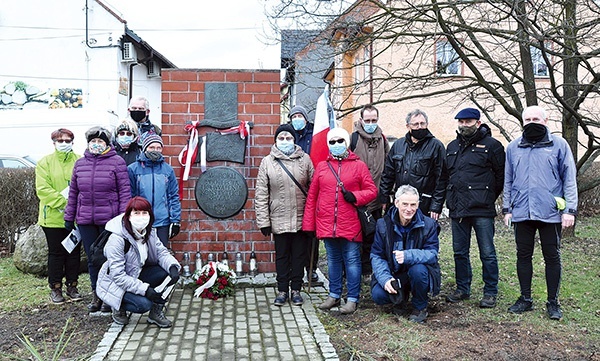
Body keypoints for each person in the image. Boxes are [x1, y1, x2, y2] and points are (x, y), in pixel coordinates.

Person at [503, 105, 577, 320]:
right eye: (528, 119)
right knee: (523, 256)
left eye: (536, 118)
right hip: (522, 211)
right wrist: (507, 208)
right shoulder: (513, 147)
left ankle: (553, 302)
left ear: (546, 121)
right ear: (523, 122)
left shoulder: (559, 145)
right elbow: (508, 180)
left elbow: (569, 179)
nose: (532, 122)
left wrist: (569, 210)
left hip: (550, 212)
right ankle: (525, 298)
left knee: (552, 256)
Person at [302, 127, 377, 314]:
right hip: (327, 224)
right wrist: (309, 225)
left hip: (350, 223)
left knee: (352, 261)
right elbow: (312, 197)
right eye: (332, 142)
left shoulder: (359, 166)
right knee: (333, 261)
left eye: (340, 141)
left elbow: (372, 190)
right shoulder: (321, 167)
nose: (336, 145)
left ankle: (352, 298)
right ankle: (334, 295)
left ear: (346, 142)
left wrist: (356, 196)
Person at [64, 126, 131, 313]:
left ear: (107, 143)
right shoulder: (80, 164)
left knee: (110, 258)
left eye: (100, 141)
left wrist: (122, 218)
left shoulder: (117, 162)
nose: (96, 144)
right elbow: (74, 193)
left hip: (109, 220)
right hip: (86, 220)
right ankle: (96, 294)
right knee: (93, 259)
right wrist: (70, 216)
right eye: (93, 141)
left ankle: (110, 295)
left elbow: (125, 192)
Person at [445, 108, 505, 308]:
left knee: (487, 252)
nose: (464, 125)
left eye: (468, 121)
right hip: (458, 209)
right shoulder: (452, 147)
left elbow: (500, 177)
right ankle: (463, 288)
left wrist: (486, 196)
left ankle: (490, 292)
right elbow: (447, 177)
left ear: (478, 123)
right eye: (461, 122)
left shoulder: (492, 146)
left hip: (482, 209)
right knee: (459, 252)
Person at [96, 196, 180, 327]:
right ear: (128, 216)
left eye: (144, 213)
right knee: (143, 304)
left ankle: (156, 312)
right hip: (115, 283)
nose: (141, 217)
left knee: (166, 273)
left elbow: (162, 253)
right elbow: (118, 276)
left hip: (137, 273)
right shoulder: (117, 239)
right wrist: (145, 290)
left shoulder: (149, 233)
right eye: (136, 213)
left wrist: (173, 267)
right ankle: (118, 307)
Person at [255, 124, 314, 307]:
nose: (285, 141)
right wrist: (263, 221)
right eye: (281, 138)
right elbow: (261, 193)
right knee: (282, 256)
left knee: (299, 256)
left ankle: (296, 289)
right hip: (278, 218)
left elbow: (314, 189)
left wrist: (314, 219)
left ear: (294, 140)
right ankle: (282, 290)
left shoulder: (305, 160)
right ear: (276, 140)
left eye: (289, 138)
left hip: (300, 218)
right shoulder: (267, 162)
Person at [370, 185, 441, 323]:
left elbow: (432, 254)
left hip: (418, 274)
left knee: (418, 270)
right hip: (395, 273)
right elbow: (377, 255)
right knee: (378, 295)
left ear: (418, 204)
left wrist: (408, 255)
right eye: (405, 204)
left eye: (413, 204)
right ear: (396, 203)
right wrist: (385, 279)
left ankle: (420, 307)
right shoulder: (383, 225)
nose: (409, 209)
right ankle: (400, 300)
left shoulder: (429, 224)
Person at [35, 128, 82, 304]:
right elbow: (43, 190)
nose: (64, 143)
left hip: (76, 218)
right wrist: (67, 203)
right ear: (54, 142)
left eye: (67, 140)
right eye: (60, 140)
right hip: (52, 218)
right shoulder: (44, 162)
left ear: (72, 142)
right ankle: (55, 288)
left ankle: (72, 285)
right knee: (56, 254)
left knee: (73, 253)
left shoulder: (80, 160)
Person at [379, 109, 446, 220]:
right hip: (401, 204)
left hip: (424, 204)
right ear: (408, 126)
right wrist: (384, 197)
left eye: (422, 123)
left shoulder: (436, 146)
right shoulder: (398, 145)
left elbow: (442, 179)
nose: (419, 127)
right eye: (415, 124)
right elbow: (388, 174)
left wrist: (436, 206)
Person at [350, 104, 390, 281]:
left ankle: (367, 270)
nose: (371, 123)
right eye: (367, 120)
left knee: (371, 235)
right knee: (353, 236)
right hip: (355, 199)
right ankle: (350, 270)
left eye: (374, 120)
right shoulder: (353, 139)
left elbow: (388, 168)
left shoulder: (382, 139)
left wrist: (386, 194)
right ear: (361, 120)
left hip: (375, 198)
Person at [128, 134, 181, 247]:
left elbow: (173, 196)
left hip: (162, 221)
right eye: (152, 147)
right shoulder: (133, 169)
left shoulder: (168, 170)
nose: (155, 150)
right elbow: (129, 196)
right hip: (140, 220)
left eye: (158, 148)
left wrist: (175, 220)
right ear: (145, 148)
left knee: (160, 256)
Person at [288, 105, 319, 284]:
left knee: (311, 233)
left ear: (306, 118)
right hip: (293, 188)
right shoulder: (287, 135)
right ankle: (295, 267)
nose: (297, 119)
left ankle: (312, 268)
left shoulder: (314, 134)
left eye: (300, 115)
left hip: (312, 186)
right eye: (294, 116)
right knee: (296, 231)